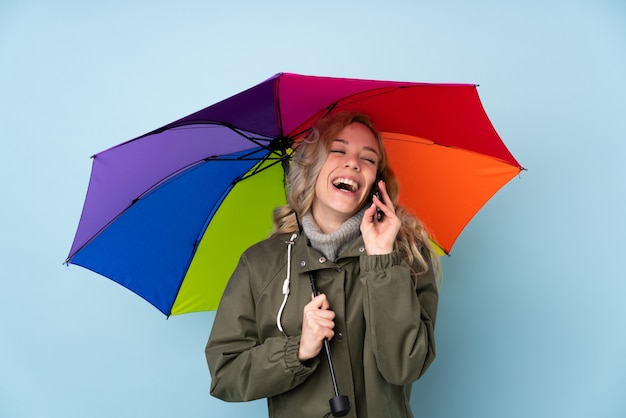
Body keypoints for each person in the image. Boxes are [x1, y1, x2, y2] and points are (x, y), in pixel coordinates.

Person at [205, 111, 440, 418]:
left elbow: (405, 367)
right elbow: (226, 374)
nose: (353, 163)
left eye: (368, 159)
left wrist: (382, 261)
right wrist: (298, 350)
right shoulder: (260, 263)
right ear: (312, 168)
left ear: (376, 182)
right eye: (338, 150)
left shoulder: (406, 255)